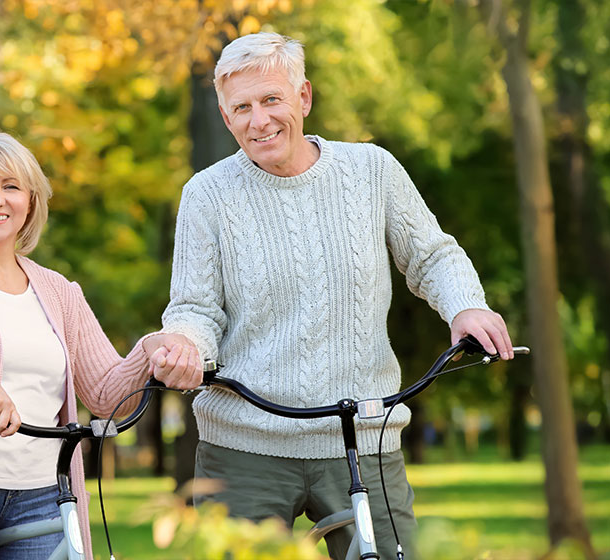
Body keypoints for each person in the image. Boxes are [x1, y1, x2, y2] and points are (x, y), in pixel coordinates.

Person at [160, 32, 514, 558]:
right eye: (242, 107)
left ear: (303, 97)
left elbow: (432, 255)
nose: (259, 121)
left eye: (272, 100)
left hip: (363, 438)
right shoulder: (206, 195)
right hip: (244, 446)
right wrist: (185, 343)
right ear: (224, 113)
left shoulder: (372, 170)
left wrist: (465, 305)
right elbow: (195, 307)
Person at [0, 132, 201, 560]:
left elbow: (105, 394)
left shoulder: (58, 290)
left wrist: (153, 348)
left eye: (10, 186)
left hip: (43, 494)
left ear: (30, 201)